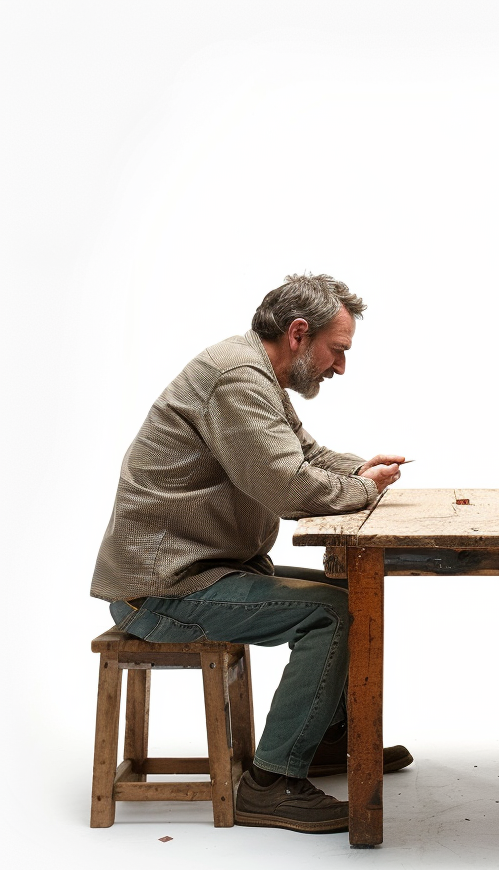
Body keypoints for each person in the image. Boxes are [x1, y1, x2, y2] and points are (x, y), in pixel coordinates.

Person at [91, 273, 413, 834]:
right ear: (298, 333)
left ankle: (319, 741)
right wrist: (366, 491)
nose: (341, 367)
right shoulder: (238, 379)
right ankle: (270, 784)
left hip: (202, 572)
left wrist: (358, 470)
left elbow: (304, 452)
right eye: (337, 350)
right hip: (165, 589)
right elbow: (288, 488)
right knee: (332, 614)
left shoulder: (256, 372)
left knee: (347, 593)